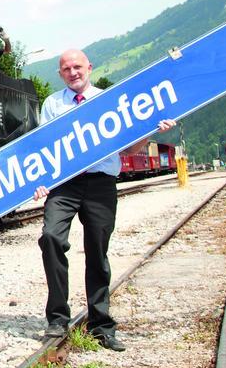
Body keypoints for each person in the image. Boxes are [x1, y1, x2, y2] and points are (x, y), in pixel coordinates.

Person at [32, 48, 176, 352]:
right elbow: (42, 147)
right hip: (64, 185)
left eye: (77, 67)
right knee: (50, 238)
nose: (73, 72)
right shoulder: (52, 104)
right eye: (66, 69)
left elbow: (129, 150)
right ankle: (57, 318)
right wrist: (39, 182)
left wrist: (151, 132)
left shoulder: (109, 101)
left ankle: (101, 324)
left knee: (98, 251)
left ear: (89, 67)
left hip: (101, 183)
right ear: (60, 74)